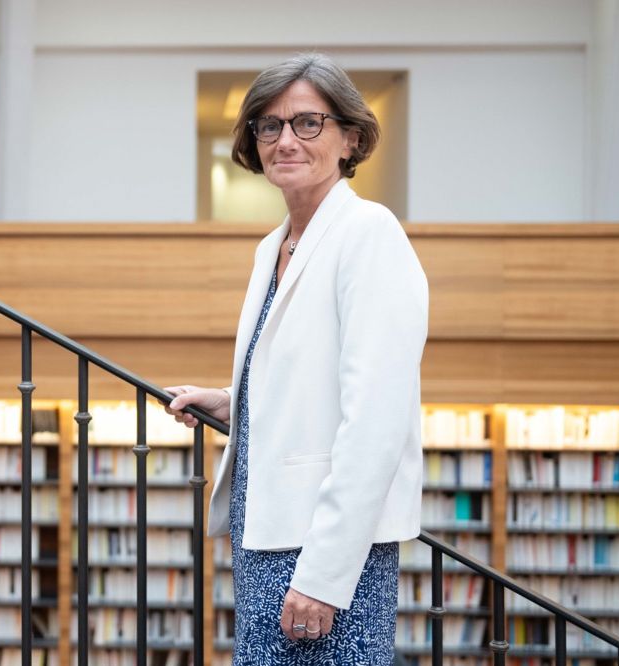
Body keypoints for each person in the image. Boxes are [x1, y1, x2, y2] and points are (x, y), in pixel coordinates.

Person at [164, 53, 428, 665]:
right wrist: (235, 403)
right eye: (268, 125)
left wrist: (325, 576)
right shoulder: (273, 248)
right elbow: (314, 386)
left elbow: (375, 422)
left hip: (323, 553)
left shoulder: (370, 234)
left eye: (307, 123)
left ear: (350, 139)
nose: (285, 139)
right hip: (263, 536)